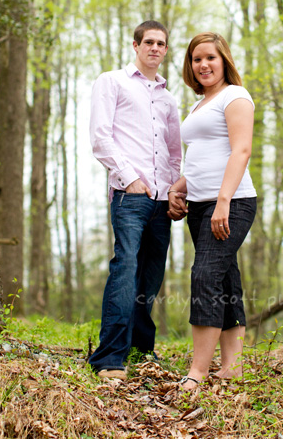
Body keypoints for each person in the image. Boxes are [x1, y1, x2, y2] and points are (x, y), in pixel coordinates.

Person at [88, 20, 182, 380]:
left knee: (150, 278)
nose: (155, 48)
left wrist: (174, 192)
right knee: (125, 268)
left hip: (162, 202)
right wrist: (131, 179)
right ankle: (110, 357)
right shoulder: (112, 82)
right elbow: (101, 138)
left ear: (166, 50)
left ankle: (142, 349)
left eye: (161, 43)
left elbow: (174, 155)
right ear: (136, 45)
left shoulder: (169, 98)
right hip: (130, 196)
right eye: (149, 42)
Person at [166, 32, 257, 390]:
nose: (203, 65)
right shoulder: (200, 103)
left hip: (231, 203)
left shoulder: (236, 96)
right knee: (224, 277)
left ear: (224, 61)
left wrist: (223, 201)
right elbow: (202, 158)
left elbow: (241, 151)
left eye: (210, 58)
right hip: (200, 204)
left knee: (204, 275)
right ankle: (231, 367)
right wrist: (178, 189)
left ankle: (198, 372)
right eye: (196, 59)